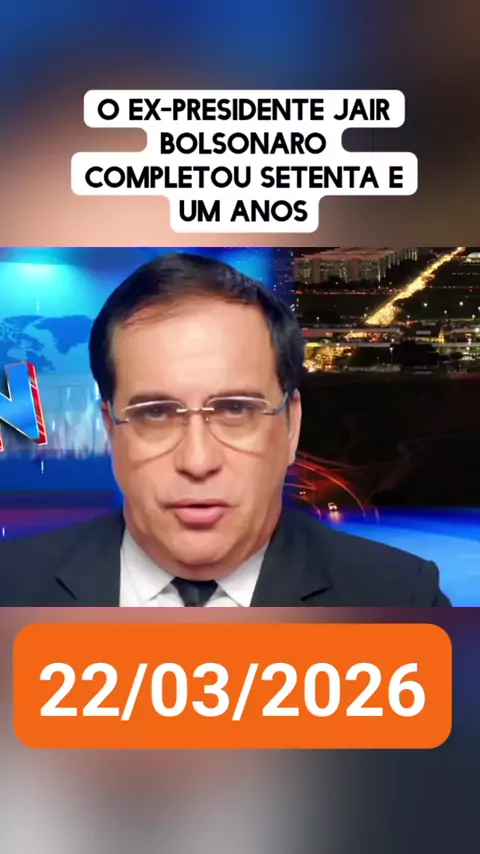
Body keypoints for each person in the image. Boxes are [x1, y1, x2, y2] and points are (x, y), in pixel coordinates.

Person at [0, 253, 450, 607]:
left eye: (236, 409)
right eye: (156, 413)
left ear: (291, 426)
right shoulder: (11, 589)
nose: (198, 461)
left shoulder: (401, 601)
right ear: (111, 429)